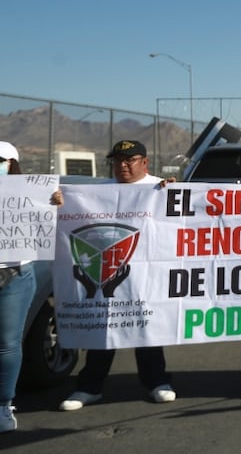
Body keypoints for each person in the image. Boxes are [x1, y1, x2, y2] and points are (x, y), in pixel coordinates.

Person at [60, 140, 176, 411]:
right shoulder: (97, 192)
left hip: (148, 274)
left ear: (144, 162)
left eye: (129, 160)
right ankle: (89, 387)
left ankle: (157, 381)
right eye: (116, 160)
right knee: (102, 328)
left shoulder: (161, 187)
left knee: (147, 329)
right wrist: (59, 202)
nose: (122, 165)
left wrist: (177, 192)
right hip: (107, 271)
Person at [1, 142, 61, 432]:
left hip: (14, 275)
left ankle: (3, 406)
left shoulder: (32, 194)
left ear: (12, 163)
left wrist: (57, 204)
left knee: (7, 344)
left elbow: (53, 221)